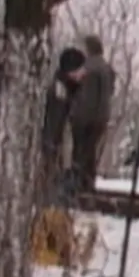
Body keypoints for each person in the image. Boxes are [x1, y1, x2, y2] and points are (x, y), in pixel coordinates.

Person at [70, 35, 114, 192]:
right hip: (101, 117)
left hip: (85, 116)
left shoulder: (88, 67)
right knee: (90, 151)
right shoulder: (108, 68)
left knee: (80, 151)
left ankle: (76, 184)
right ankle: (88, 183)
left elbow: (78, 82)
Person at [42, 47, 86, 201]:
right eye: (81, 68)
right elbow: (55, 119)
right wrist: (51, 144)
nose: (84, 73)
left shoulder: (70, 89)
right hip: (55, 144)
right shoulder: (60, 90)